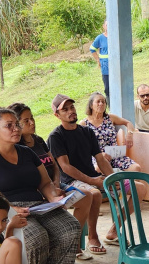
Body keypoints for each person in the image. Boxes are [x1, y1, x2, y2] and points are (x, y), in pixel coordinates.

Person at [0, 108, 82, 264]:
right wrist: (10, 209)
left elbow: (45, 183)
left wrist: (53, 198)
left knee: (70, 227)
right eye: (9, 125)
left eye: (17, 124)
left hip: (38, 205)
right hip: (6, 212)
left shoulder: (27, 153)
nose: (16, 129)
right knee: (36, 238)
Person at [8, 102, 99, 261]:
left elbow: (54, 165)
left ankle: (75, 242)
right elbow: (27, 177)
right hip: (38, 192)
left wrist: (56, 185)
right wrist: (49, 191)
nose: (32, 123)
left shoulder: (38, 140)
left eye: (32, 118)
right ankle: (70, 246)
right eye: (26, 120)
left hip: (54, 186)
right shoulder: (18, 147)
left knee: (87, 196)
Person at [48, 94, 119, 252]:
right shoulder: (56, 136)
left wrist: (113, 178)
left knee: (136, 188)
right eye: (65, 110)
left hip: (91, 178)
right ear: (57, 115)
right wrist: (93, 181)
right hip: (69, 181)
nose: (70, 111)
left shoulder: (87, 132)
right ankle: (86, 239)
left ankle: (112, 232)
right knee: (94, 194)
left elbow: (100, 159)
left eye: (72, 107)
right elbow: (65, 167)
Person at [90, 21, 110, 102]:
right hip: (105, 69)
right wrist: (98, 60)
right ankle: (110, 106)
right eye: (107, 25)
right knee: (108, 88)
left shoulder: (116, 37)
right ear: (104, 26)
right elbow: (92, 49)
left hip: (117, 68)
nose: (109, 27)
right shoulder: (100, 38)